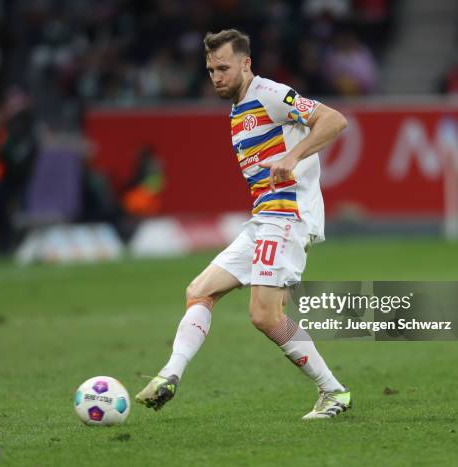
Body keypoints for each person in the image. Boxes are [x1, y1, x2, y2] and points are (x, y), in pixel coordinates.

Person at [136, 29, 349, 420]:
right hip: (264, 219)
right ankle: (169, 375)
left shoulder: (269, 94)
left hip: (286, 216)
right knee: (199, 291)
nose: (216, 76)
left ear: (246, 63)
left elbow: (334, 120)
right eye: (211, 69)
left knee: (264, 316)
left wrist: (293, 156)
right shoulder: (237, 110)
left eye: (224, 67)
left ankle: (333, 391)